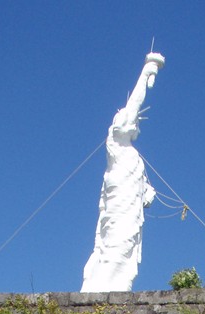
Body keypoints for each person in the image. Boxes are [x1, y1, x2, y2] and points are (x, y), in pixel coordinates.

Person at [81, 51, 165, 292]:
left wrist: (146, 197)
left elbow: (141, 191)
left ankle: (115, 287)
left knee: (126, 248)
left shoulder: (134, 156)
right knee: (115, 246)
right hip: (118, 210)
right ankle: (101, 289)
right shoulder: (117, 145)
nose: (136, 122)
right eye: (132, 120)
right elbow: (134, 104)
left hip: (130, 212)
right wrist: (148, 71)